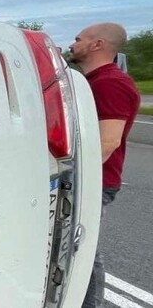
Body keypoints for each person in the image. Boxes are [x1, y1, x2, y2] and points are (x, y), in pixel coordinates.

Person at [68, 23, 140, 308]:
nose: (72, 44)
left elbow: (107, 142)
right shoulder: (93, 81)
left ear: (97, 44)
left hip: (94, 182)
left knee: (82, 252)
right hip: (89, 180)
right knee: (75, 250)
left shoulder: (110, 82)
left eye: (77, 38)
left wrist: (76, 182)